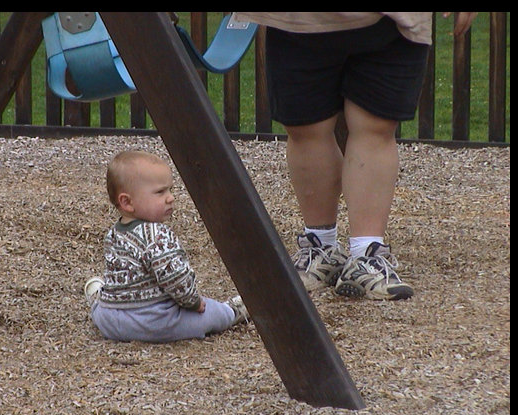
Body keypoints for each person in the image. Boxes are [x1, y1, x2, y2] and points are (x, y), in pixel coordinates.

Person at [233, 12, 477, 300]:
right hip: (297, 20)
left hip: (393, 23)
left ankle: (367, 254)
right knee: (306, 128)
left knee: (375, 127)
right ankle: (321, 246)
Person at [84, 150, 248, 343]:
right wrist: (193, 302)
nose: (170, 198)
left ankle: (97, 296)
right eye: (160, 192)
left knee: (104, 304)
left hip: (112, 322)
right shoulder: (157, 236)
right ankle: (233, 311)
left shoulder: (114, 233)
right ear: (127, 202)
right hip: (154, 322)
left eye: (170, 190)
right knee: (210, 313)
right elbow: (176, 278)